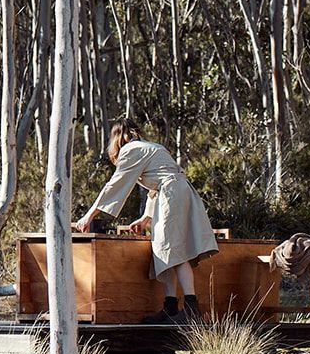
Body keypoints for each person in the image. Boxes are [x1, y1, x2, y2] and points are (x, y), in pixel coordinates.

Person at [73, 120, 220, 323]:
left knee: (174, 250)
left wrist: (90, 214)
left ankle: (190, 308)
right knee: (163, 250)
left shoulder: (131, 150)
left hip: (172, 194)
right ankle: (170, 307)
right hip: (174, 193)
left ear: (117, 138)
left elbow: (114, 185)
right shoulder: (151, 147)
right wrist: (146, 217)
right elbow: (157, 184)